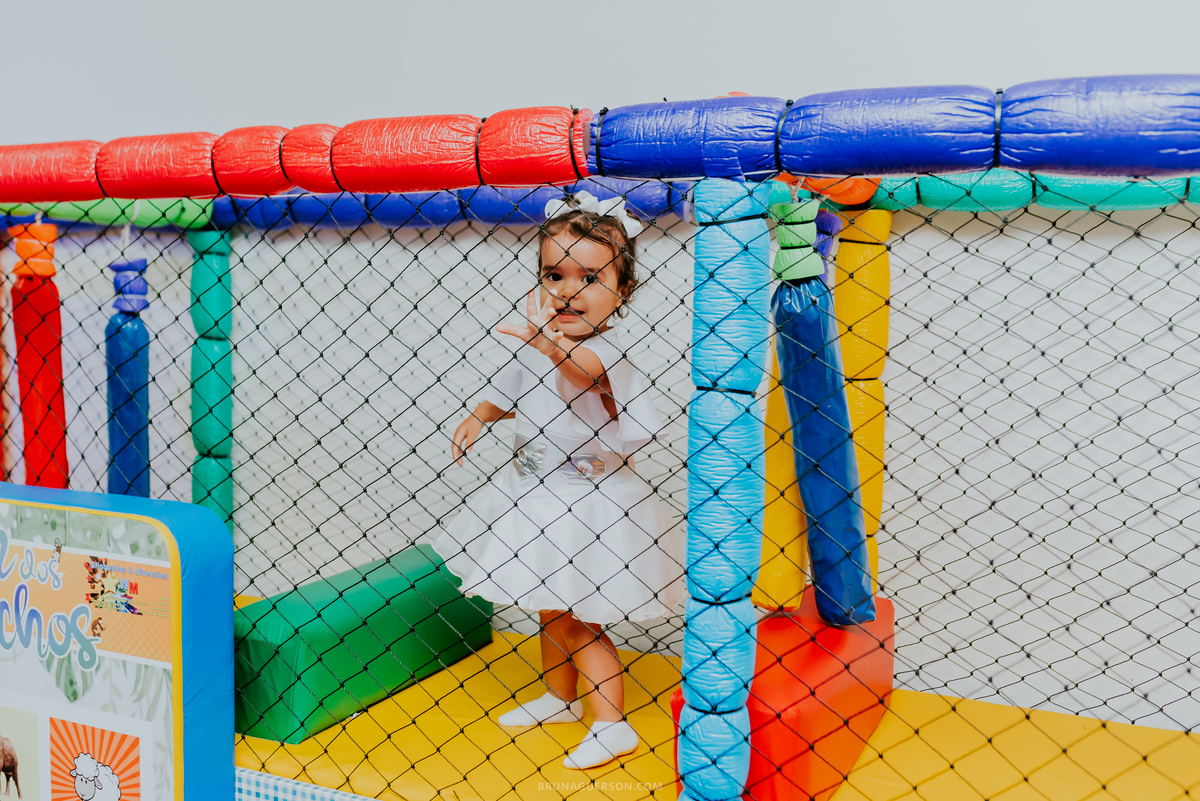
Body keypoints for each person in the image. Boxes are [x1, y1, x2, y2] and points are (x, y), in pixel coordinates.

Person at [431, 191, 686, 770]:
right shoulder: (539, 347)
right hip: (535, 496)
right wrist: (478, 417)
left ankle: (612, 723)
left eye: (589, 278)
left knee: (581, 618)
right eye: (554, 275)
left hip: (591, 504)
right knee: (549, 609)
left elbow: (578, 373)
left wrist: (546, 342)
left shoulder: (607, 351)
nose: (568, 290)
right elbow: (510, 390)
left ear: (622, 290)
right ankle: (559, 697)